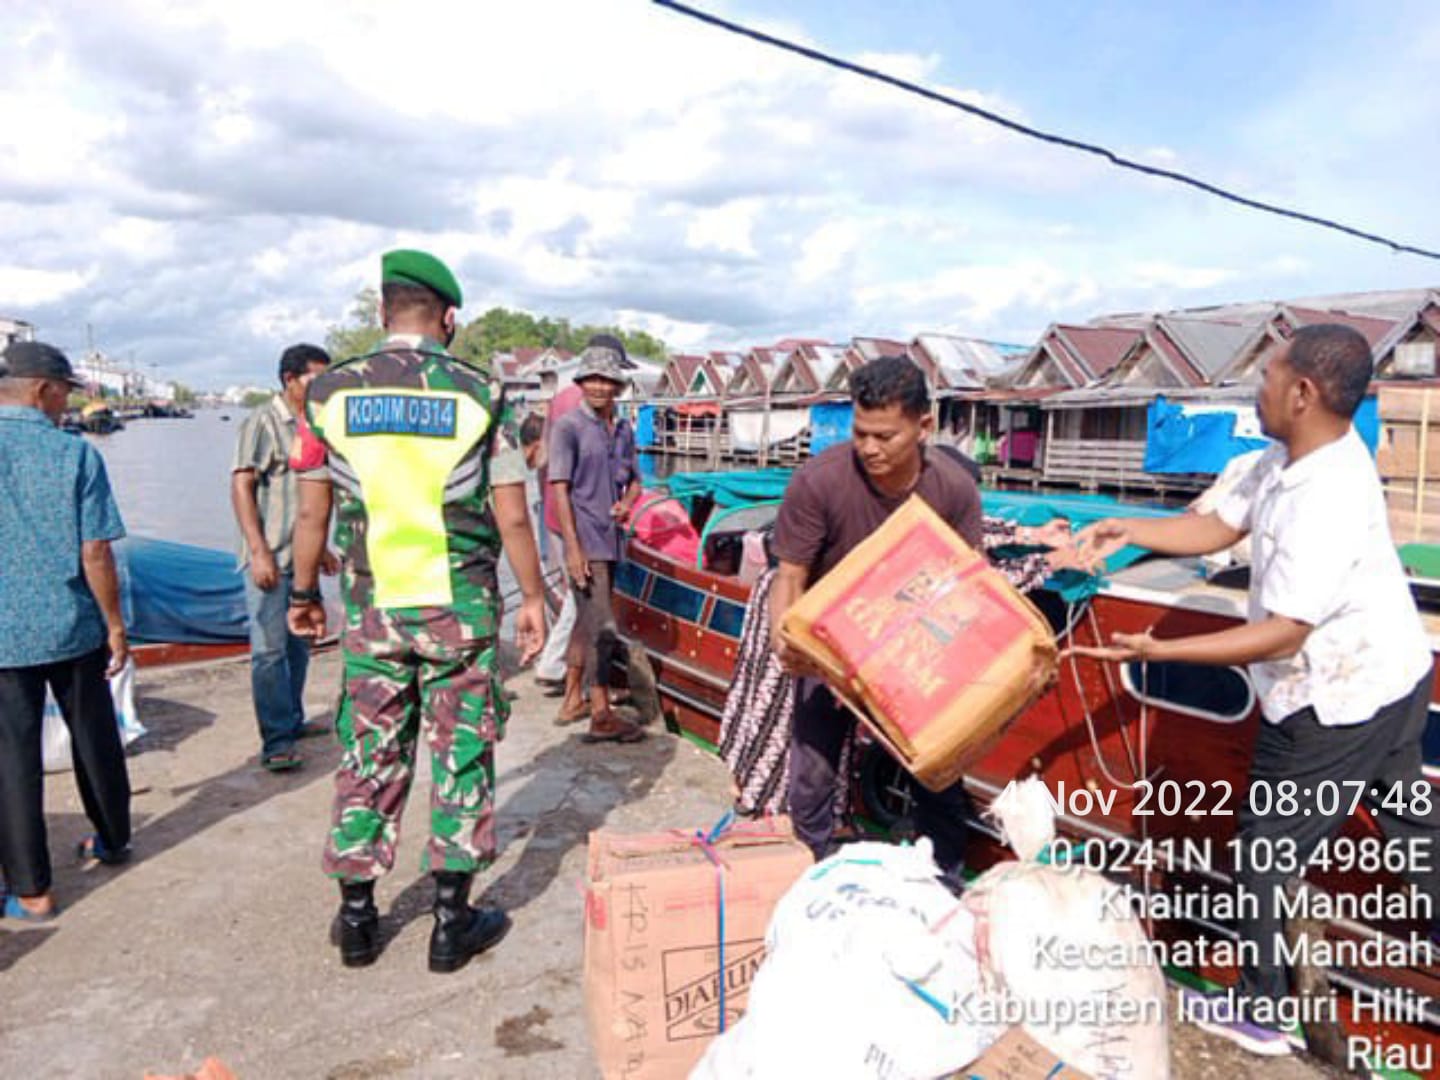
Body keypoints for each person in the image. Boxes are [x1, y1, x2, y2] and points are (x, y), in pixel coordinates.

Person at [1076, 324, 1440, 1057]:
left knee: (1266, 846)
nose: (1258, 385)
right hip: (1394, 671)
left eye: (1269, 374)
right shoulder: (1287, 459)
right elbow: (1216, 525)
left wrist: (1163, 647)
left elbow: (1283, 634)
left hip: (1337, 696)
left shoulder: (1326, 495)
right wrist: (1125, 528)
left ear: (1303, 393)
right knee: (1407, 816)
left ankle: (1263, 1010)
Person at [286, 249, 547, 972]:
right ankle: (450, 923)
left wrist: (305, 594)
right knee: (460, 752)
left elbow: (311, 512)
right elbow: (513, 513)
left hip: (373, 608)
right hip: (458, 607)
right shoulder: (480, 393)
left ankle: (359, 919)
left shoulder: (329, 394)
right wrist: (533, 597)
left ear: (382, 314)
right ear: (450, 319)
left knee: (370, 751)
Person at [769, 355, 983, 879]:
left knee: (937, 773)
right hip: (830, 643)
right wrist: (787, 639)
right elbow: (790, 576)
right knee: (813, 771)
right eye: (861, 432)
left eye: (885, 436)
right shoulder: (818, 482)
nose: (868, 448)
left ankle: (944, 883)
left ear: (924, 427)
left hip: (911, 643)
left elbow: (965, 586)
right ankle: (810, 877)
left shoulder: (954, 490)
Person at [0, 341, 132, 920]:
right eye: (64, 393)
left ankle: (32, 890)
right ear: (40, 390)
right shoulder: (74, 455)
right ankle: (111, 838)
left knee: (11, 759)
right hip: (71, 624)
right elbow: (96, 551)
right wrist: (115, 625)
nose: (67, 404)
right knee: (95, 737)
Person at [230, 343, 334, 773]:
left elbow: (309, 498)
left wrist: (322, 549)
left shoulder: (314, 424)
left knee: (300, 645)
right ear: (290, 380)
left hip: (302, 559)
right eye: (316, 380)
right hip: (269, 556)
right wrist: (258, 552)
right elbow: (241, 487)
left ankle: (291, 718)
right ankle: (275, 740)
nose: (323, 388)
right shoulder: (262, 422)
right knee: (269, 650)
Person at [548, 337, 645, 743]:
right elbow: (559, 487)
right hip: (586, 540)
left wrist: (626, 502)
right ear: (582, 382)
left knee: (588, 624)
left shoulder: (621, 429)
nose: (600, 387)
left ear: (618, 386)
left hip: (612, 538)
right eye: (593, 379)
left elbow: (637, 481)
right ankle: (601, 712)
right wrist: (572, 548)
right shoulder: (569, 427)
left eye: (608, 380)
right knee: (602, 626)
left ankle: (575, 699)